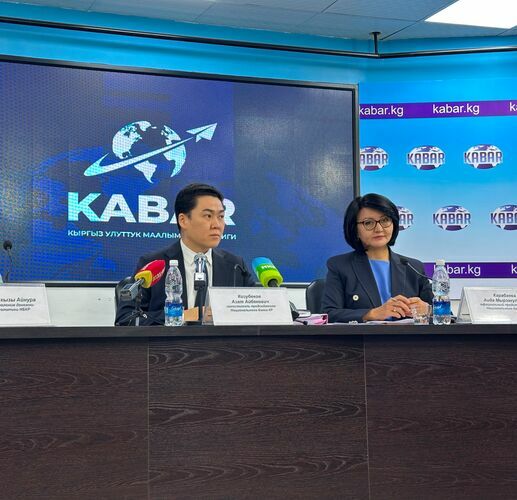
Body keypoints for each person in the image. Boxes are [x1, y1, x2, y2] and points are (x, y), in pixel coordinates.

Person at [115, 183, 255, 325]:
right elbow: (125, 319)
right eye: (208, 216)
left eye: (221, 216)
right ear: (183, 220)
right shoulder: (153, 265)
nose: (217, 225)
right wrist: (183, 315)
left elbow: (256, 314)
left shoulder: (235, 266)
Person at [321, 193, 432, 323]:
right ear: (355, 230)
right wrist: (372, 313)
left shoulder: (413, 267)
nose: (379, 229)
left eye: (385, 220)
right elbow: (329, 314)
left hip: (407, 336)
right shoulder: (340, 266)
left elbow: (445, 315)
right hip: (362, 336)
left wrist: (428, 309)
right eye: (368, 223)